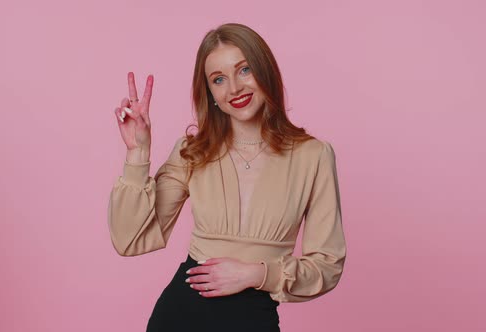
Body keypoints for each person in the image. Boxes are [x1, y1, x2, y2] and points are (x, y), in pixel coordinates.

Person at [108, 23, 347, 332]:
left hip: (253, 316)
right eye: (218, 79)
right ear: (211, 94)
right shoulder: (193, 151)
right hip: (180, 315)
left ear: (266, 72)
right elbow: (130, 240)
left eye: (244, 70)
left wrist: (257, 274)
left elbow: (327, 265)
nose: (234, 88)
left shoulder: (313, 156)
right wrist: (137, 154)